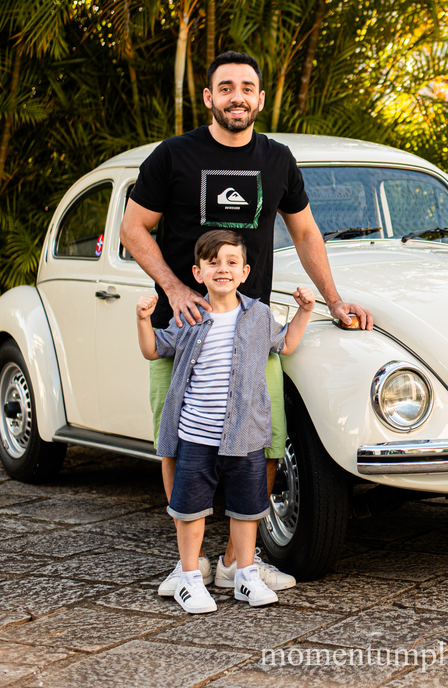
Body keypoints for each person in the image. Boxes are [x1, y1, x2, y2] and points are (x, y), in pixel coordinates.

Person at [119, 51, 373, 594]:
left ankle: (239, 561)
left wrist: (333, 301)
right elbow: (133, 228)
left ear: (259, 98)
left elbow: (305, 233)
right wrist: (174, 288)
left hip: (252, 334)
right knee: (175, 446)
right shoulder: (173, 156)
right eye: (226, 87)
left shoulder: (277, 159)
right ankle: (187, 564)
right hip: (183, 331)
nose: (237, 96)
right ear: (208, 97)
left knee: (267, 443)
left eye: (247, 88)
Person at [137, 230, 316, 613]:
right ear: (197, 272)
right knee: (190, 509)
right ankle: (190, 579)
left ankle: (244, 575)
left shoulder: (258, 315)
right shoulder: (189, 316)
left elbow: (286, 344)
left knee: (247, 509)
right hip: (195, 434)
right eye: (213, 262)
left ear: (245, 271)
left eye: (232, 262)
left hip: (244, 436)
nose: (223, 269)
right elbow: (153, 350)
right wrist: (143, 319)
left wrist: (304, 311)